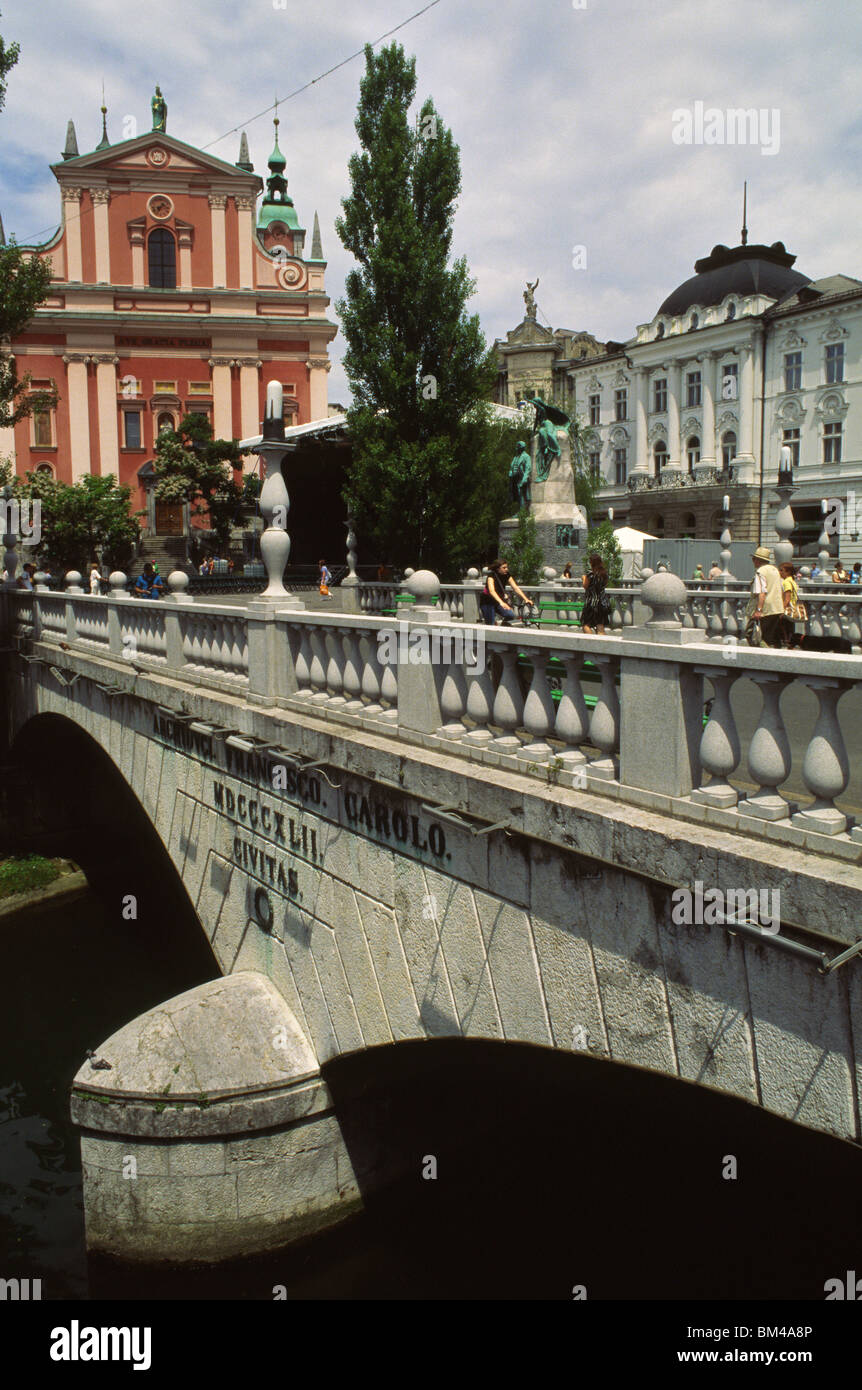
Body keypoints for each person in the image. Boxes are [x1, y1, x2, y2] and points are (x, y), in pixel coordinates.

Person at [745, 546, 784, 647]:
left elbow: (761, 592)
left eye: (753, 559)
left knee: (753, 636)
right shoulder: (775, 570)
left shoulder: (760, 572)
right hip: (776, 609)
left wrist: (758, 610)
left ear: (758, 560)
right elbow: (781, 589)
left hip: (765, 610)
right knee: (769, 637)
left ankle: (761, 658)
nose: (753, 561)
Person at [480, 559, 533, 625]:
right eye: (504, 568)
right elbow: (492, 591)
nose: (506, 569)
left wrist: (526, 599)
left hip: (498, 600)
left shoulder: (507, 575)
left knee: (510, 615)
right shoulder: (491, 576)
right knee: (490, 624)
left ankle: (502, 629)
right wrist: (501, 603)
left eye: (507, 567)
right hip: (487, 602)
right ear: (498, 569)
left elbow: (515, 588)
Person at [581, 552, 612, 635]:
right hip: (602, 603)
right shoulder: (604, 574)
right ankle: (603, 645)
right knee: (600, 627)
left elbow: (585, 586)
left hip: (591, 603)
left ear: (592, 563)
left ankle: (591, 644)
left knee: (586, 625)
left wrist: (584, 578)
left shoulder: (591, 574)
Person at [778, 562, 805, 647]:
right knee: (790, 629)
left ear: (788, 572)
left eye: (782, 570)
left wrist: (782, 610)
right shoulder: (792, 581)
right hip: (793, 608)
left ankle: (787, 644)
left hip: (788, 609)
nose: (780, 572)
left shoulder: (786, 582)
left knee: (784, 628)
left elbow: (787, 597)